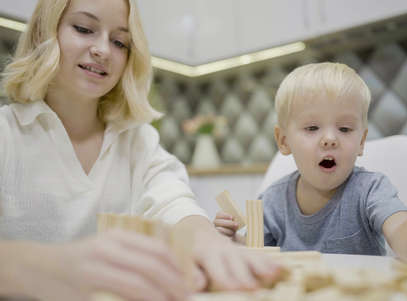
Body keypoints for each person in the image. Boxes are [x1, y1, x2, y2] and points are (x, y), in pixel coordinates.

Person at [0, 0, 282, 300]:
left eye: (120, 42)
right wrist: (53, 267)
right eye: (84, 29)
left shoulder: (139, 142)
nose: (103, 50)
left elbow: (173, 202)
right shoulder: (7, 134)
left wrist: (206, 241)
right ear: (45, 32)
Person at [214, 62, 407, 270]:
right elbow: (258, 251)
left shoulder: (370, 189)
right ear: (284, 141)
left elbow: (401, 226)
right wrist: (236, 243)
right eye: (312, 128)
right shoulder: (272, 200)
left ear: (361, 141)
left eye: (345, 129)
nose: (330, 139)